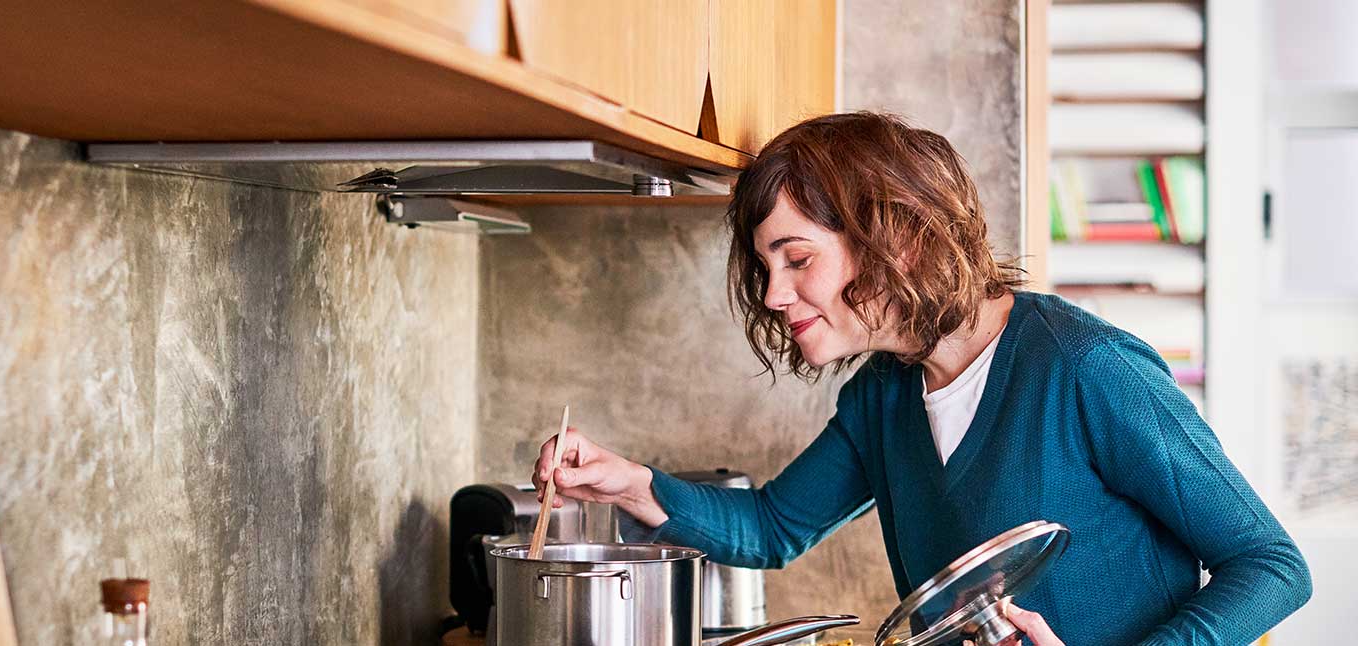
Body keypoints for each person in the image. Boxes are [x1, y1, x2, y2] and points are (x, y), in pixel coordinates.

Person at [532, 112, 1312, 645]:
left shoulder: (1083, 368)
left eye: (797, 258)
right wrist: (629, 485)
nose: (772, 293)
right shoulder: (882, 397)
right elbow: (772, 529)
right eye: (766, 266)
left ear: (895, 235)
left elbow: (1272, 566)